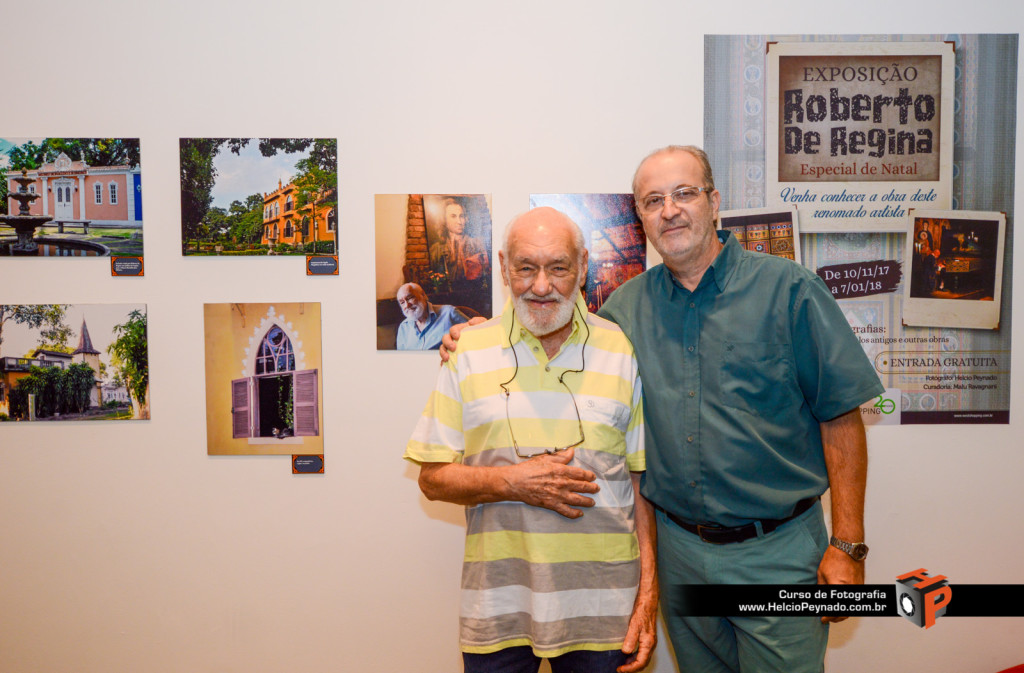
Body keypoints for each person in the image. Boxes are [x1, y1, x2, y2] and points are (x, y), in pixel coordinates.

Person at [444, 146, 884, 673]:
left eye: (684, 193)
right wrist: (477, 332)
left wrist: (849, 545)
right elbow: (551, 317)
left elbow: (840, 415)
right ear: (642, 218)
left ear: (714, 202)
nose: (669, 210)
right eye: (653, 200)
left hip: (780, 553)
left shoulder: (790, 291)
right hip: (680, 556)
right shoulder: (624, 311)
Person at [406, 207, 657, 673]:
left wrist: (647, 597)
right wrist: (513, 483)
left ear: (583, 267)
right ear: (503, 267)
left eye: (558, 267)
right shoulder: (467, 351)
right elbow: (432, 478)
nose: (542, 286)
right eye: (526, 268)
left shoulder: (620, 348)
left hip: (604, 611)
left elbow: (640, 484)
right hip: (497, 609)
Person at [429, 198, 488, 284]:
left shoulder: (476, 244)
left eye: (461, 216)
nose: (459, 221)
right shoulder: (435, 250)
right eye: (453, 216)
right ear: (444, 220)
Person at [395, 282, 469, 350]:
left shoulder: (449, 313)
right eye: (402, 302)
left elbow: (475, 334)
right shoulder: (403, 327)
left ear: (423, 295)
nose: (407, 305)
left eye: (410, 298)